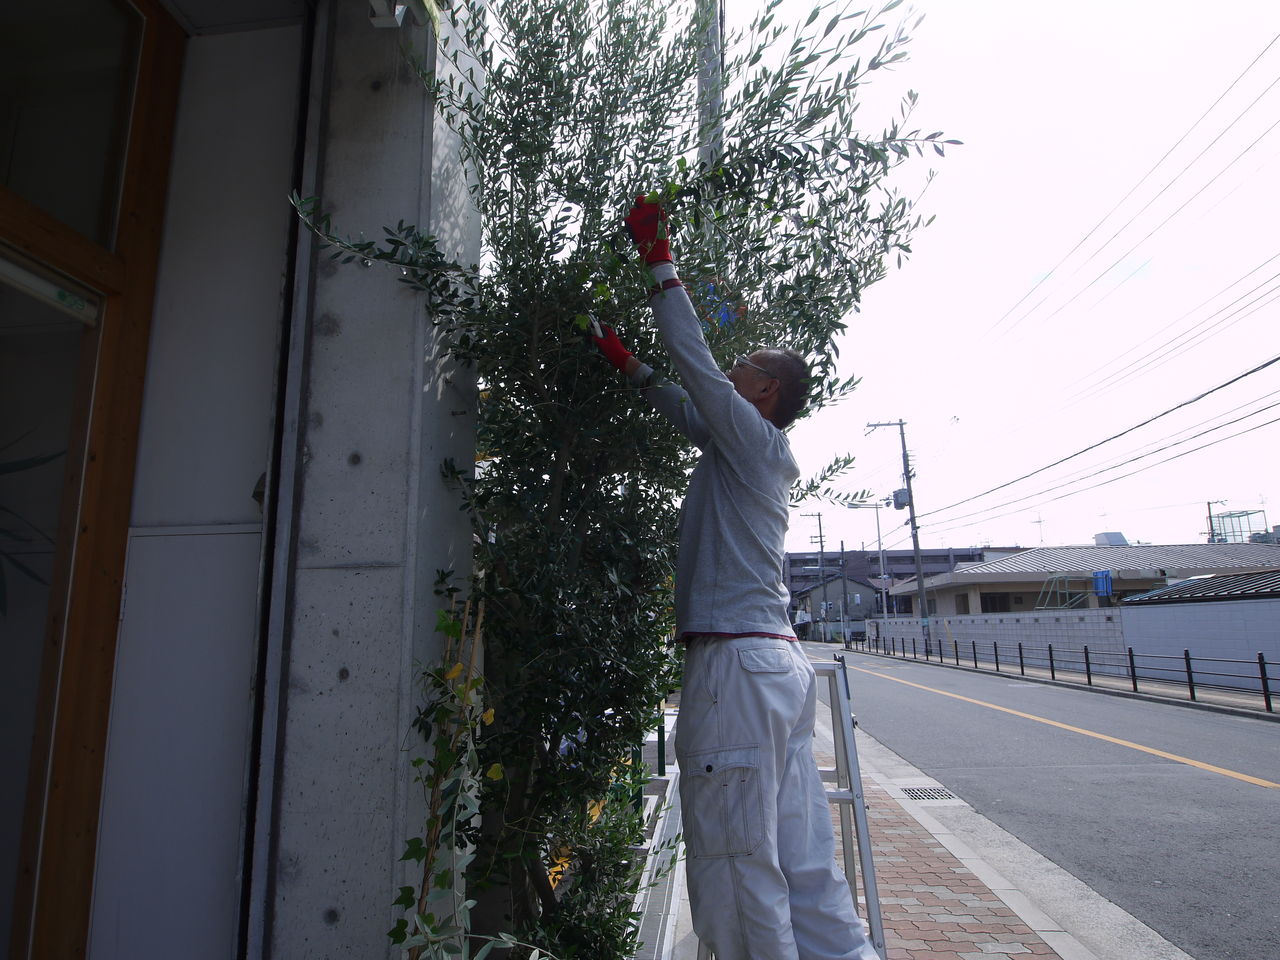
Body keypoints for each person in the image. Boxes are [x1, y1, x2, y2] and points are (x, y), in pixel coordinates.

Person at [592, 196, 880, 960]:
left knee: (736, 864)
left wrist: (660, 261)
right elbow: (687, 405)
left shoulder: (751, 440)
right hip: (772, 668)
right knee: (800, 859)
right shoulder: (743, 449)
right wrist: (627, 364)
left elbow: (695, 368)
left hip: (737, 668)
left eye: (745, 364)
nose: (733, 364)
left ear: (761, 394)